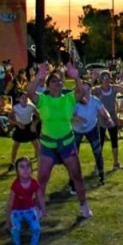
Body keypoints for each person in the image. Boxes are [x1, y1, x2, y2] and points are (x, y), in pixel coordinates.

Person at [29, 64, 92, 218]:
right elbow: (30, 92)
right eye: (53, 82)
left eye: (59, 82)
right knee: (42, 178)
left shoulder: (68, 99)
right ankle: (38, 207)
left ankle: (84, 205)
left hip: (67, 143)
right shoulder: (43, 100)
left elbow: (82, 91)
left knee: (77, 176)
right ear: (48, 85)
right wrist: (38, 76)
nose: (57, 85)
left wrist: (76, 76)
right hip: (48, 145)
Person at [72, 83, 115, 185]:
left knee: (97, 152)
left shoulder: (94, 100)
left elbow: (103, 111)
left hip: (92, 128)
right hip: (77, 130)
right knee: (73, 155)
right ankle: (73, 180)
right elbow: (69, 115)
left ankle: (101, 176)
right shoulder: (75, 102)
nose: (85, 93)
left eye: (87, 91)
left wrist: (108, 119)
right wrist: (77, 118)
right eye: (83, 91)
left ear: (90, 91)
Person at [5, 156, 45, 245]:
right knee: (15, 229)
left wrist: (44, 210)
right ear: (17, 171)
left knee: (36, 228)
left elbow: (40, 197)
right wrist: (8, 220)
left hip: (29, 209)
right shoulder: (16, 185)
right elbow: (10, 203)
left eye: (28, 166)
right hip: (16, 211)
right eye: (22, 167)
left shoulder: (34, 183)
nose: (26, 169)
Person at [93, 71, 123, 171]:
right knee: (100, 142)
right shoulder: (98, 89)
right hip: (101, 119)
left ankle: (116, 163)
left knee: (114, 141)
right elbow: (85, 91)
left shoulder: (113, 88)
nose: (107, 81)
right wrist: (92, 79)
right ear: (101, 80)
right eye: (104, 78)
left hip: (112, 118)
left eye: (108, 78)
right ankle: (97, 165)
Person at [8, 91, 41, 171]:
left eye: (26, 97)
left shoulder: (31, 106)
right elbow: (9, 119)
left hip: (29, 126)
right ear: (19, 99)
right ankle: (12, 163)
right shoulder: (16, 108)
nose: (25, 99)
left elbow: (38, 116)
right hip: (20, 127)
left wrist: (34, 124)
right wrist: (17, 123)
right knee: (15, 146)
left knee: (37, 145)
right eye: (23, 98)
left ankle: (40, 162)